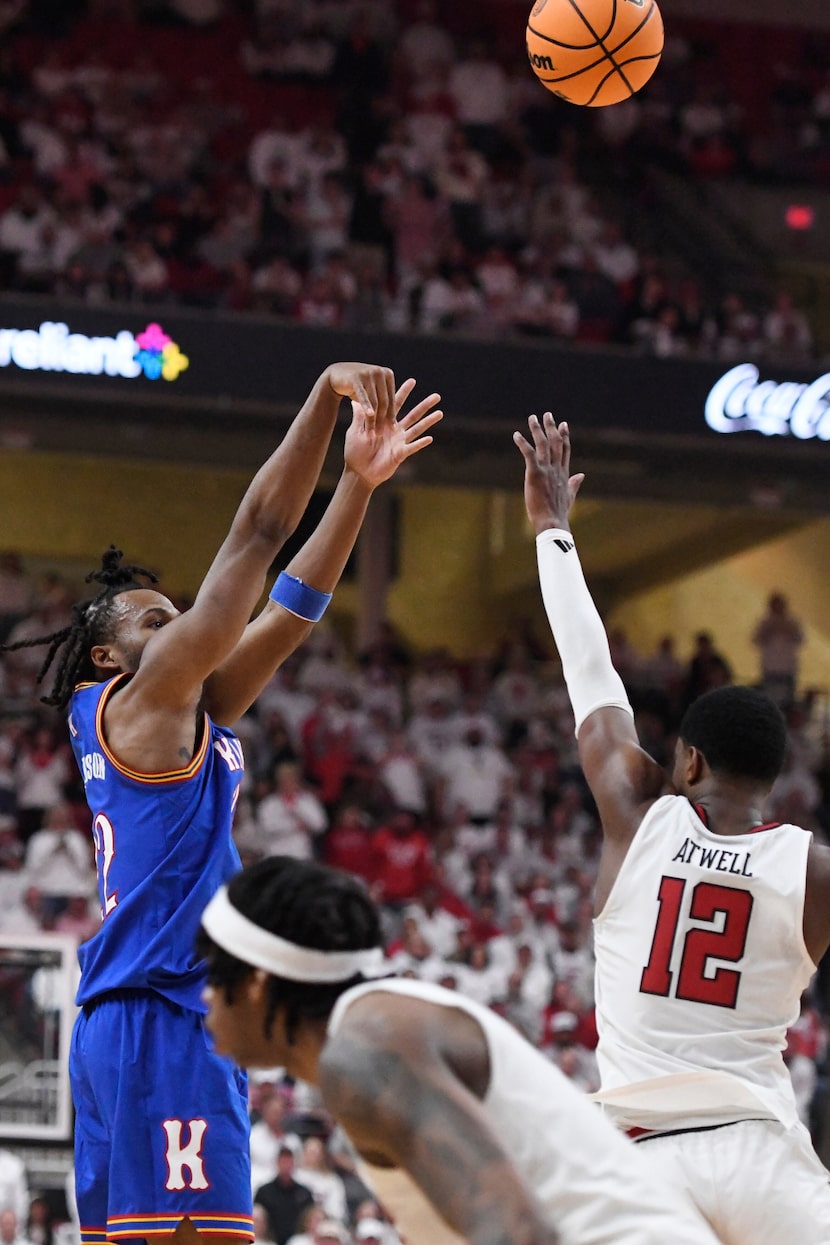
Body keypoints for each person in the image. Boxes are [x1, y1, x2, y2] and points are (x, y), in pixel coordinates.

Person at [1, 363, 442, 1245]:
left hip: (164, 1010)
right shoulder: (146, 694)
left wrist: (356, 485)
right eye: (153, 618)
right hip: (157, 1010)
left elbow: (292, 613)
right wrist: (321, 399)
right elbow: (258, 532)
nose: (179, 625)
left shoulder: (183, 705)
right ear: (105, 658)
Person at [513, 411, 830, 1244]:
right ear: (772, 780)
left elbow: (591, 669)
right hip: (762, 1152)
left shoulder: (637, 810)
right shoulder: (814, 870)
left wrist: (552, 532)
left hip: (640, 1157)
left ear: (687, 762)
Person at [198, 856, 722, 1245]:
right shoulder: (370, 1032)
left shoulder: (366, 1051)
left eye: (214, 978)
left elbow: (516, 1234)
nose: (204, 997)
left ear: (257, 984)